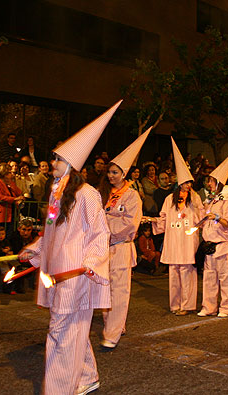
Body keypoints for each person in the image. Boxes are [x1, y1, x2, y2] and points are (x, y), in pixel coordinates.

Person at [19, 100, 120, 394]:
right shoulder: (56, 193)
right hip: (57, 272)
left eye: (59, 160)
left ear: (72, 165)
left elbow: (100, 234)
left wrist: (91, 263)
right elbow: (51, 233)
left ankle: (58, 389)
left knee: (61, 331)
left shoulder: (87, 194)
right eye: (53, 159)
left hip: (75, 276)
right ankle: (87, 377)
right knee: (71, 329)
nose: (53, 164)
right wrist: (35, 251)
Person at [97, 127, 151, 349]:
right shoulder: (104, 193)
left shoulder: (132, 195)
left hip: (121, 247)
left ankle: (112, 333)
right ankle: (115, 325)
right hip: (103, 248)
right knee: (104, 290)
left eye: (115, 173)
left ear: (125, 174)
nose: (111, 176)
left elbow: (130, 223)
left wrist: (105, 228)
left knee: (119, 291)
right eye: (109, 172)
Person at [145, 138, 203, 316]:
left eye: (190, 183)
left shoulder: (195, 199)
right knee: (174, 273)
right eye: (186, 183)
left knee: (186, 272)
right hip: (173, 241)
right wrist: (151, 220)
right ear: (179, 183)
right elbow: (163, 219)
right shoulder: (169, 199)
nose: (188, 186)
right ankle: (175, 304)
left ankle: (186, 305)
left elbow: (201, 217)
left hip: (187, 241)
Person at [197, 141, 228, 318]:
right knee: (209, 278)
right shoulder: (211, 200)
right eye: (208, 180)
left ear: (217, 183)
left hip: (224, 245)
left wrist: (216, 217)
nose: (208, 183)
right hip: (210, 244)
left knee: (226, 278)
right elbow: (201, 221)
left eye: (210, 180)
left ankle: (227, 306)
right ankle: (208, 307)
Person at [0, 163, 24, 234]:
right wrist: (14, 199)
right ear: (4, 174)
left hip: (12, 213)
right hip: (2, 214)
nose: (11, 174)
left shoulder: (10, 183)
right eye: (9, 172)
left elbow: (19, 192)